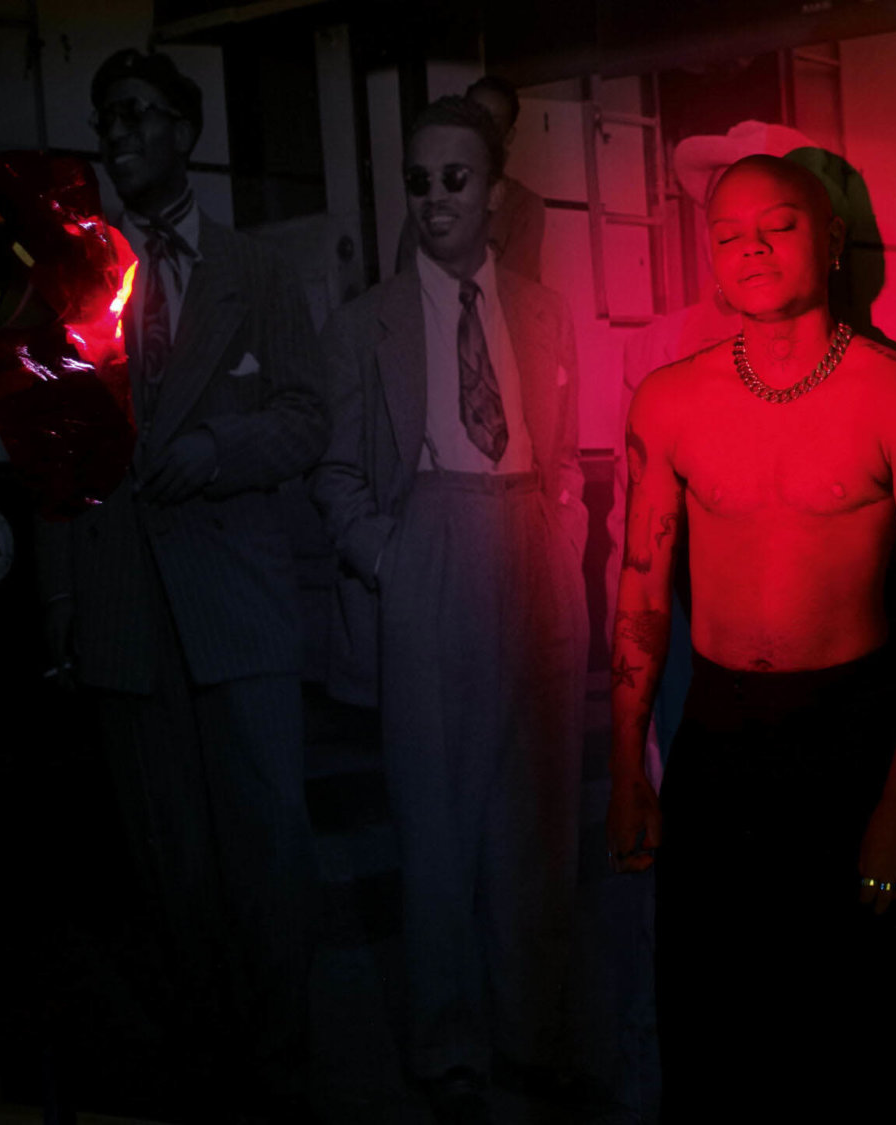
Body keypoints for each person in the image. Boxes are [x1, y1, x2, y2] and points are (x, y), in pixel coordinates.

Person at [605, 154, 896, 1122]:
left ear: (832, 238)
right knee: (716, 1027)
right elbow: (640, 588)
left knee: (861, 1036)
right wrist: (627, 766)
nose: (751, 249)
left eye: (778, 226)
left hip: (852, 738)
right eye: (728, 235)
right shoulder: (669, 400)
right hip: (718, 739)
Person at [39, 47, 327, 1119]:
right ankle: (205, 1078)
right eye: (106, 118)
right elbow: (54, 451)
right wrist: (63, 609)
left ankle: (282, 1076)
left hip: (238, 612)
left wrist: (217, 451)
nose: (117, 135)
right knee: (170, 874)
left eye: (138, 115)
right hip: (125, 617)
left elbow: (306, 417)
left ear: (186, 131)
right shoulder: (77, 277)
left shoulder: (258, 273)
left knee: (270, 858)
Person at [311, 95, 588, 1123]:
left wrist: (564, 531)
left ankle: (535, 1034)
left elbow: (565, 444)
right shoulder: (364, 324)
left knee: (540, 814)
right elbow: (335, 471)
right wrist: (390, 557)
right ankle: (449, 1048)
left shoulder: (544, 310)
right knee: (435, 820)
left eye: (455, 179)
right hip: (428, 542)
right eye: (418, 181)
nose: (435, 198)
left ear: (495, 193)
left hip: (532, 539)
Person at [394, 76, 547, 283]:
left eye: (492, 122)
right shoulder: (429, 201)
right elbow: (407, 281)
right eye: (470, 117)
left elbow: (514, 287)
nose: (478, 129)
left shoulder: (523, 206)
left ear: (508, 135)